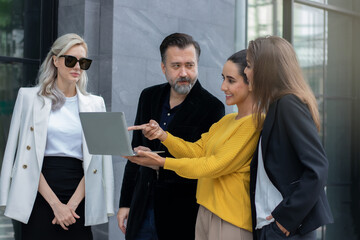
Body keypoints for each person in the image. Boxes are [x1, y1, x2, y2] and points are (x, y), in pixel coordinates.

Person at [124, 49, 260, 240]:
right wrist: (163, 136)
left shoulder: (254, 123)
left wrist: (163, 163)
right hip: (206, 212)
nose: (222, 87)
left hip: (231, 219)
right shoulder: (227, 121)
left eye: (231, 80)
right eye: (223, 78)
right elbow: (196, 151)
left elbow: (213, 165)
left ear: (252, 83)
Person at [0, 33, 114, 240]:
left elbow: (97, 159)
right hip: (38, 189)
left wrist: (70, 206)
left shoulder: (96, 104)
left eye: (83, 62)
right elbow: (22, 157)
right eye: (70, 60)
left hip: (79, 192)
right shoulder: (28, 98)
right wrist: (55, 204)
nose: (77, 67)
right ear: (55, 60)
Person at [117, 33, 225, 240]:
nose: (184, 73)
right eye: (176, 66)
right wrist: (125, 202)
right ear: (163, 67)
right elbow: (133, 153)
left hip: (182, 214)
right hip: (142, 206)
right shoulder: (148, 96)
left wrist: (159, 163)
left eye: (190, 65)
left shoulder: (213, 108)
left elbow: (206, 166)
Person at [245, 36, 333, 239]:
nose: (245, 72)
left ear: (265, 69)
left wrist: (286, 219)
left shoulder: (288, 105)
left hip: (285, 230)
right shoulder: (277, 106)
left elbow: (318, 167)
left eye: (249, 66)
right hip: (271, 228)